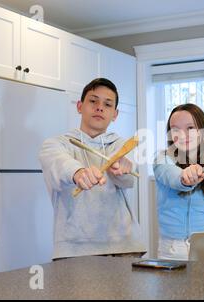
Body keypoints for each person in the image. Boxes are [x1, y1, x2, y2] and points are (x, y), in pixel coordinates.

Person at [39, 78, 145, 260]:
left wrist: (124, 167)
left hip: (124, 247)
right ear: (80, 106)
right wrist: (78, 173)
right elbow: (59, 163)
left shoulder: (121, 145)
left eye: (107, 104)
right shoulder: (56, 144)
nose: (99, 107)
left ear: (115, 114)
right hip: (75, 250)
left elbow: (129, 179)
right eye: (93, 101)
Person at [153, 103, 204, 260]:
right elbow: (172, 176)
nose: (182, 135)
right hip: (174, 248)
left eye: (190, 128)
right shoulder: (162, 159)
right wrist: (185, 177)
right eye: (175, 129)